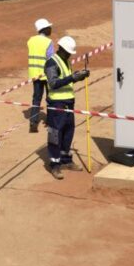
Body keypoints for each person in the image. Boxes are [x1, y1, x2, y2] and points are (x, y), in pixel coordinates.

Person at [44, 36, 89, 180]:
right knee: (55, 134)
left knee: (68, 132)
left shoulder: (67, 61)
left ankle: (66, 160)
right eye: (68, 52)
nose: (70, 54)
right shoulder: (52, 63)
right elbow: (53, 83)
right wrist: (72, 78)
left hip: (69, 103)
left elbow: (67, 82)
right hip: (57, 105)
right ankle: (54, 165)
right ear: (61, 49)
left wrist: (78, 77)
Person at [27, 18, 54, 133]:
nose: (51, 29)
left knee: (36, 98)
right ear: (45, 29)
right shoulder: (48, 42)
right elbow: (50, 59)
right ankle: (50, 122)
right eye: (49, 27)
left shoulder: (30, 40)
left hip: (35, 75)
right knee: (51, 99)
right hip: (47, 74)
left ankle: (33, 122)